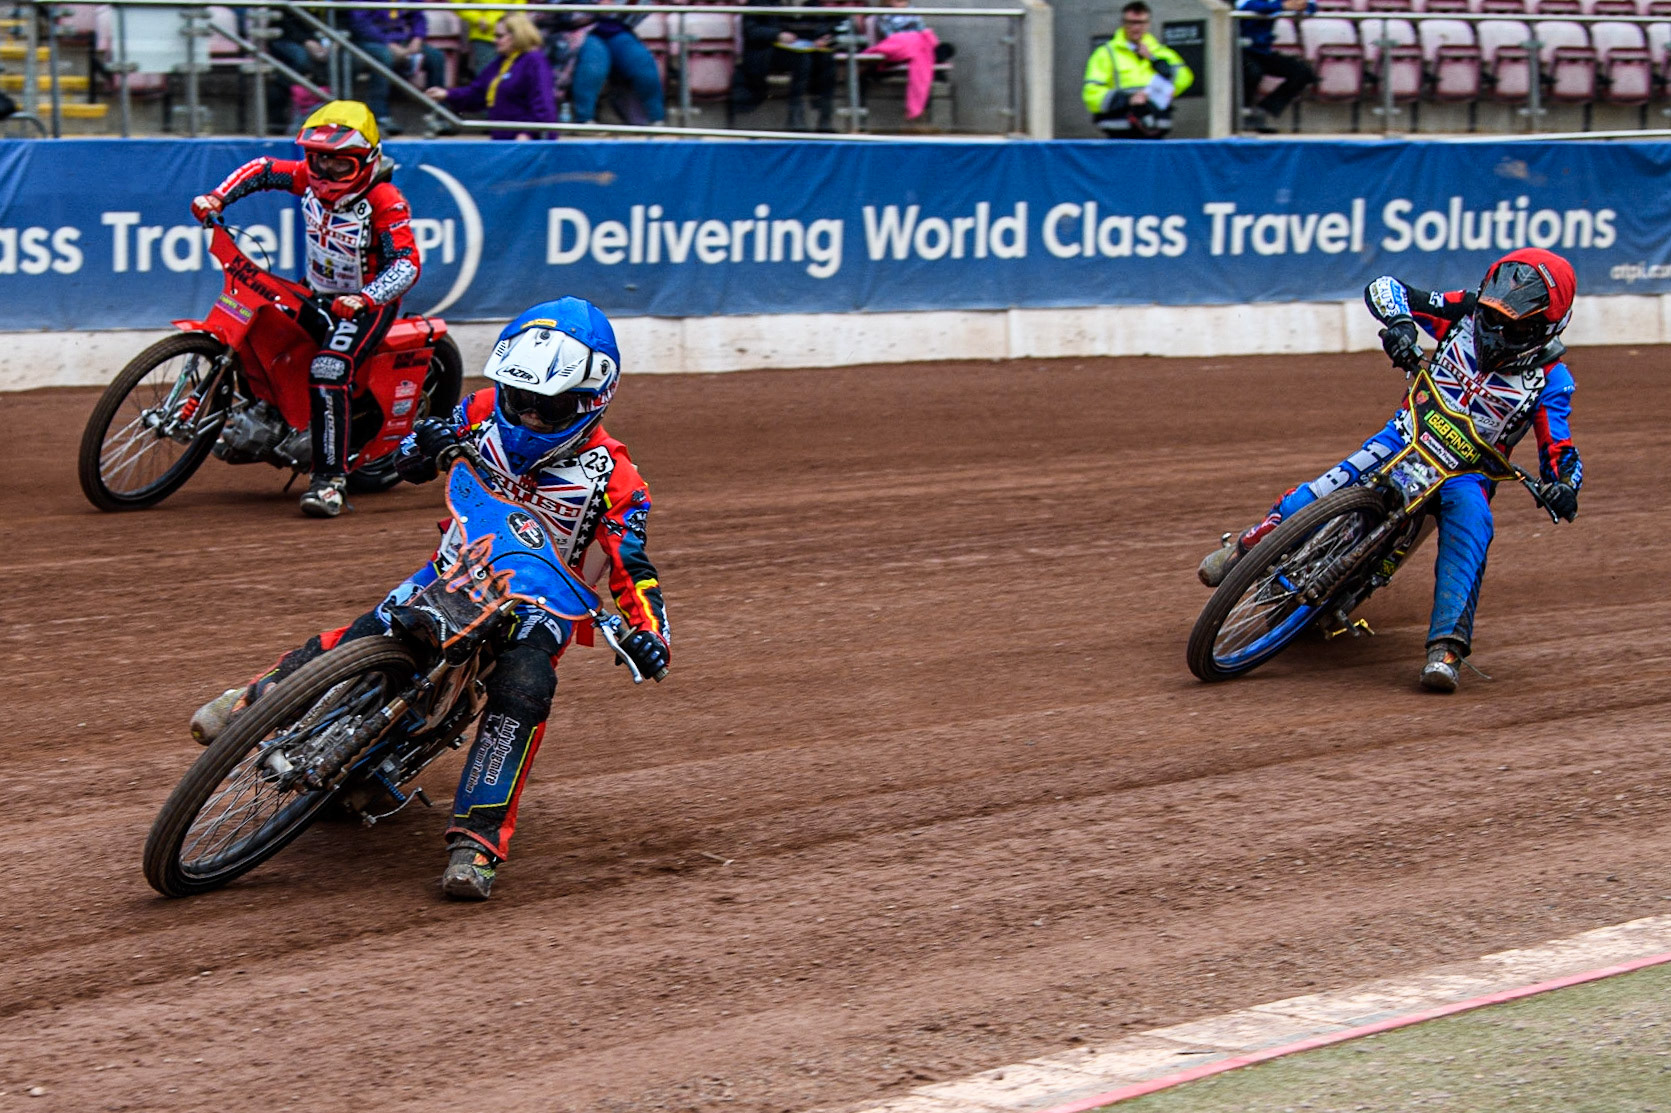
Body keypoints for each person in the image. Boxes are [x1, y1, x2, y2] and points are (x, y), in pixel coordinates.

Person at [189, 297, 673, 901]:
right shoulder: (484, 410)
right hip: (458, 569)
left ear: (590, 399)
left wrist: (651, 633)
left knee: (523, 691)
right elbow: (407, 456)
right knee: (373, 629)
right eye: (516, 398)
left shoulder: (616, 481)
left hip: (541, 609)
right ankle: (255, 701)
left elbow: (633, 568)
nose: (523, 416)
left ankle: (478, 842)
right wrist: (423, 445)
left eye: (544, 409)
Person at [1196, 249, 1583, 692]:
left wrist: (1562, 487)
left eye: (1513, 326)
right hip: (1405, 435)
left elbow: (1561, 449)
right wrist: (1400, 325)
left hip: (1464, 475)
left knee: (1473, 530)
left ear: (1545, 327)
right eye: (1493, 317)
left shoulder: (1552, 380)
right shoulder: (1464, 311)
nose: (1495, 330)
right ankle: (1247, 549)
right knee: (1320, 490)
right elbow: (1385, 287)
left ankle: (1446, 649)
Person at [190, 100, 421, 519]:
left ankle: (330, 482)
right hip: (315, 290)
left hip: (366, 305)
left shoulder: (385, 200)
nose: (325, 174)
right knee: (260, 323)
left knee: (330, 369)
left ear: (367, 161)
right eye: (318, 161)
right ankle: (263, 418)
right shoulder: (307, 180)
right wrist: (218, 196)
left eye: (340, 166)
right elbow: (261, 170)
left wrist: (366, 298)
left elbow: (405, 263)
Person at [426, 13, 557, 139]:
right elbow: (477, 93)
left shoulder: (535, 61)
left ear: (517, 35)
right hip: (505, 141)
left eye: (499, 36)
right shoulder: (500, 63)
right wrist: (447, 94)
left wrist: (528, 134)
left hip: (526, 143)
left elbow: (543, 104)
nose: (495, 41)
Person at [1082, 1, 1194, 138]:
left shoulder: (1161, 52)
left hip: (1155, 127)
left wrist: (1154, 60)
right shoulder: (1106, 53)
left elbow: (1185, 78)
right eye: (1131, 23)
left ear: (1148, 24)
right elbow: (1091, 94)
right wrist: (1128, 100)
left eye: (1141, 23)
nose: (1136, 28)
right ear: (1123, 23)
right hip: (1120, 129)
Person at [544, 0, 666, 126]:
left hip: (615, 28)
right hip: (573, 30)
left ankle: (656, 120)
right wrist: (595, 9)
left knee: (640, 61)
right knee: (594, 59)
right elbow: (555, 11)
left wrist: (617, 8)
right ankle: (584, 119)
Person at [732, 0, 840, 133]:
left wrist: (822, 37)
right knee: (802, 59)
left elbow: (821, 26)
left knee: (826, 59)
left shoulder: (810, 3)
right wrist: (777, 35)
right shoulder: (759, 1)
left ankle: (825, 118)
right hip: (767, 50)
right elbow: (751, 30)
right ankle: (795, 117)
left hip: (801, 48)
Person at [348, 5, 447, 131]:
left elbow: (417, 16)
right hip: (370, 41)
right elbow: (360, 23)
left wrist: (417, 38)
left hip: (401, 40)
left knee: (436, 57)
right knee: (384, 56)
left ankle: (438, 115)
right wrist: (387, 43)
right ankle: (380, 116)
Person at [1236, 0, 1315, 133]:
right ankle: (1244, 114)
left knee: (1302, 72)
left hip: (1262, 51)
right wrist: (1282, 6)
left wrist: (1303, 5)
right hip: (1240, 50)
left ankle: (1262, 111)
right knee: (1253, 72)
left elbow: (1311, 8)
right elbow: (1247, 6)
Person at [867, 0, 946, 122]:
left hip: (917, 46)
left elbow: (922, 30)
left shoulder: (913, 12)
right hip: (899, 46)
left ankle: (918, 111)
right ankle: (919, 111)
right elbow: (890, 36)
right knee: (923, 51)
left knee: (941, 48)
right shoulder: (883, 14)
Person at [454, 0, 526, 79]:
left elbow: (519, 7)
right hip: (483, 36)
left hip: (510, 36)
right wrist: (477, 19)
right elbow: (456, 4)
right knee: (486, 77)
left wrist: (514, 24)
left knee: (512, 76)